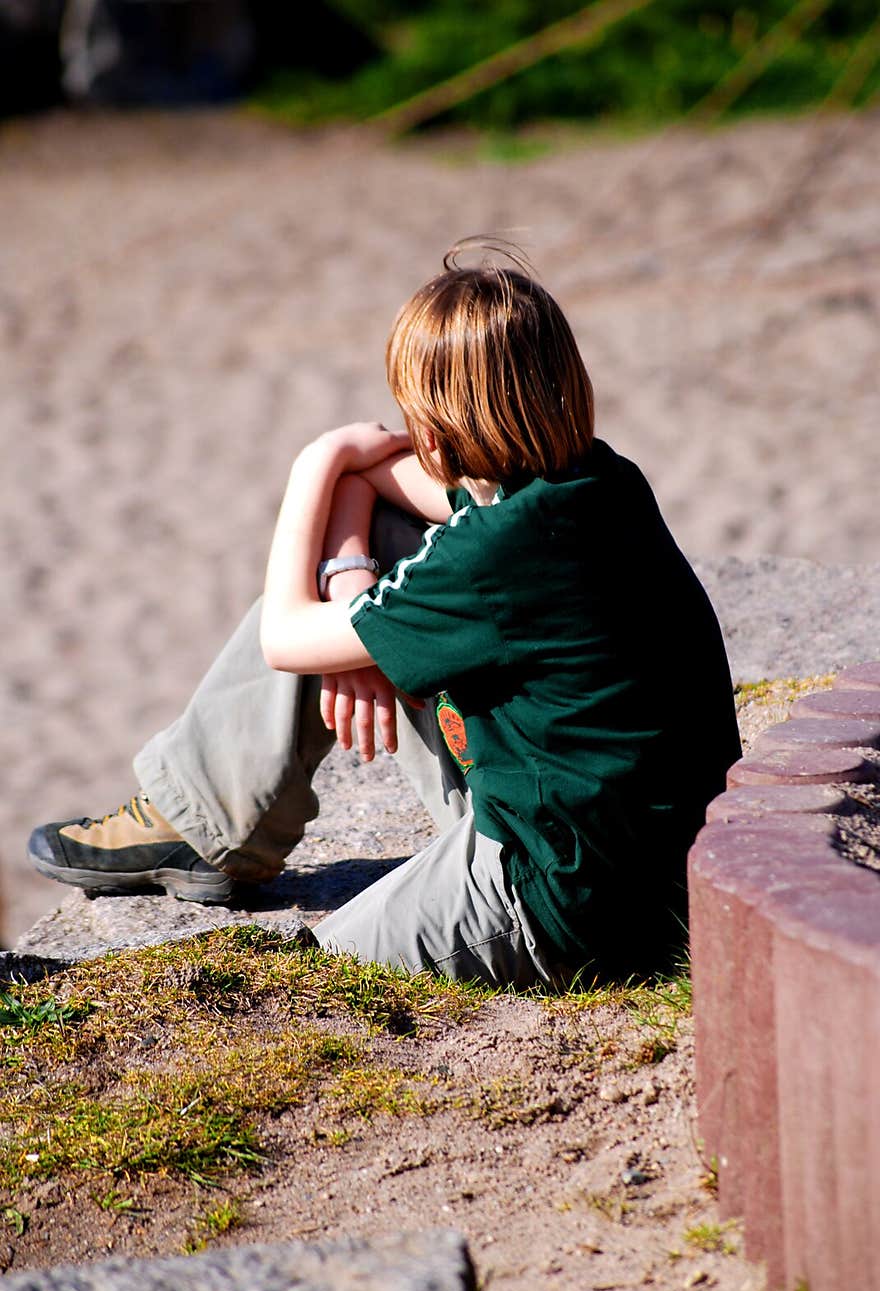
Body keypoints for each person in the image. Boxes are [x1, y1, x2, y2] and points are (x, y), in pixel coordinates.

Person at [28, 236, 742, 990]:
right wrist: (353, 599)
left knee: (312, 980)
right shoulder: (594, 482)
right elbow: (378, 490)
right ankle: (203, 819)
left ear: (431, 430)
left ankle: (215, 826)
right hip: (633, 851)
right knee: (372, 551)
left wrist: (317, 459)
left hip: (567, 896)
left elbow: (283, 634)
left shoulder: (493, 559)